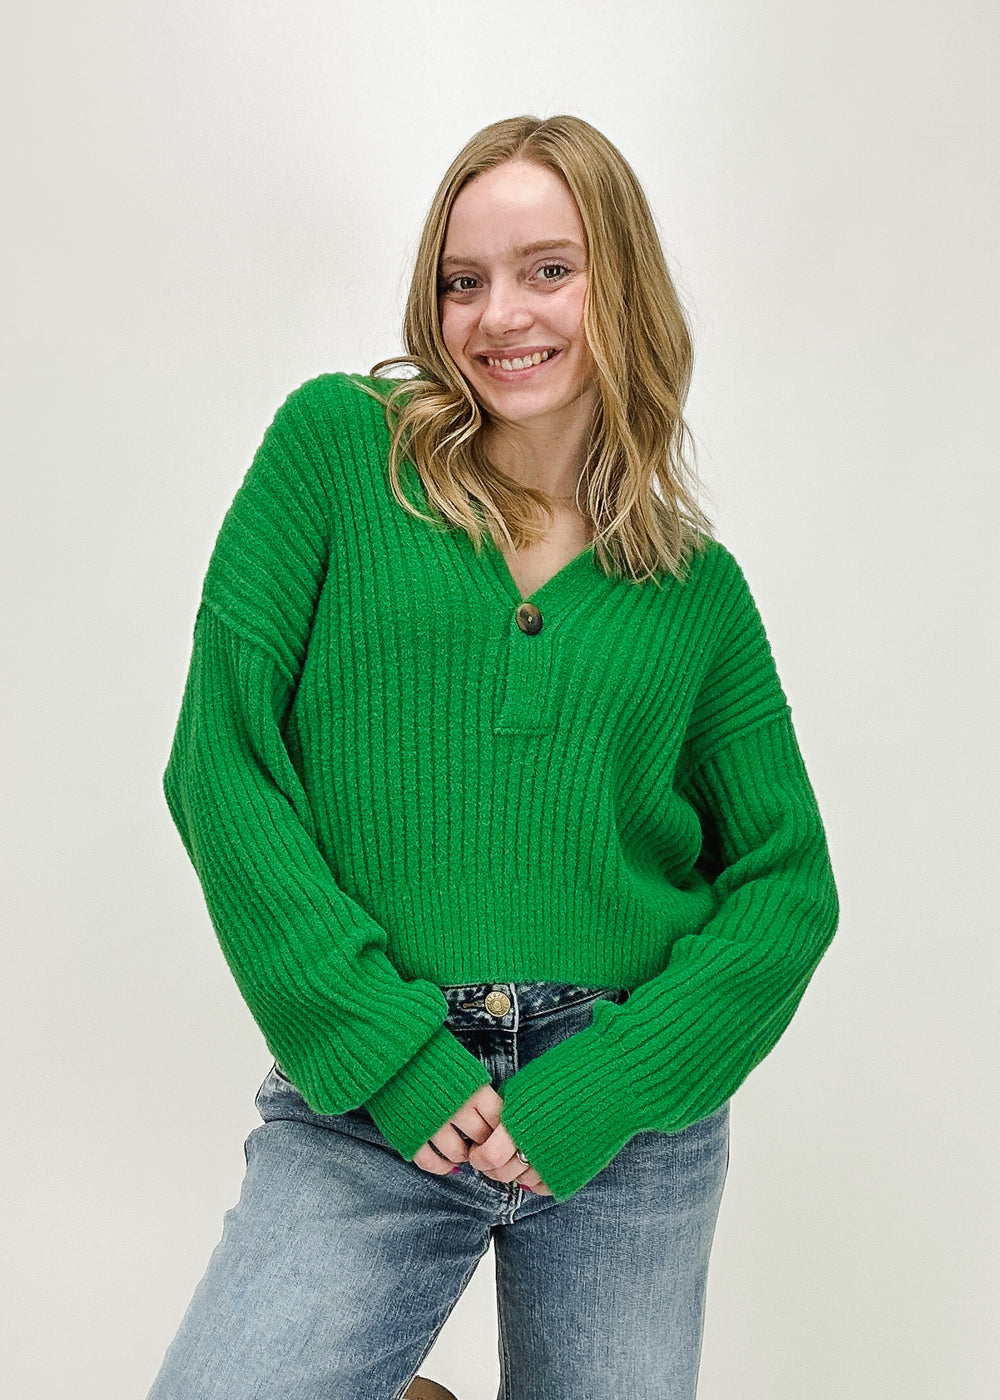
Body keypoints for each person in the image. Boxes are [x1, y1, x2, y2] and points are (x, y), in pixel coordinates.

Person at [146, 114, 839, 1400]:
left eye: (547, 269)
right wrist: (388, 1047)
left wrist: (615, 1083)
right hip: (371, 1086)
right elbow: (219, 761)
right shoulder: (339, 455)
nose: (497, 314)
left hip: (622, 1118)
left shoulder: (694, 589)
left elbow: (789, 884)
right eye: (462, 280)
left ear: (618, 282)